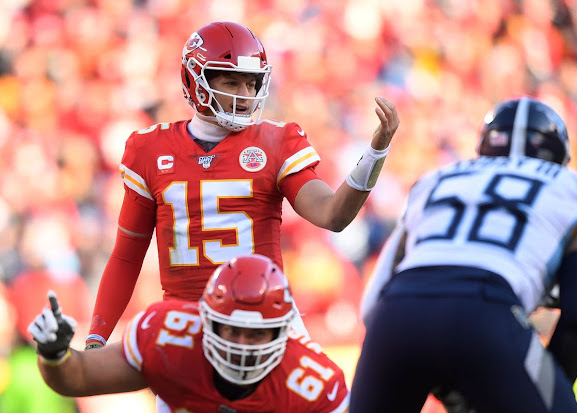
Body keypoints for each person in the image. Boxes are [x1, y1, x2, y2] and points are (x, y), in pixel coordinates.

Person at [85, 21, 399, 350]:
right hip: (189, 325)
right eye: (232, 82)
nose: (246, 95)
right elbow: (126, 257)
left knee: (328, 385)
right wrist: (96, 336)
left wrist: (375, 152)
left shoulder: (277, 141)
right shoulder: (150, 148)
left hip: (264, 322)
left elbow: (333, 215)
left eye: (251, 83)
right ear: (196, 81)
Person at [350, 96, 577, 413]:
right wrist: (551, 390)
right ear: (561, 155)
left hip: (396, 315)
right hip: (487, 312)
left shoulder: (436, 178)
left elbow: (372, 302)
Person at [29, 254, 350, 412]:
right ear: (207, 321)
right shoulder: (168, 336)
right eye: (232, 329)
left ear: (281, 332)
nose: (241, 345)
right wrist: (55, 354)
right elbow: (79, 378)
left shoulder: (316, 384)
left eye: (255, 334)